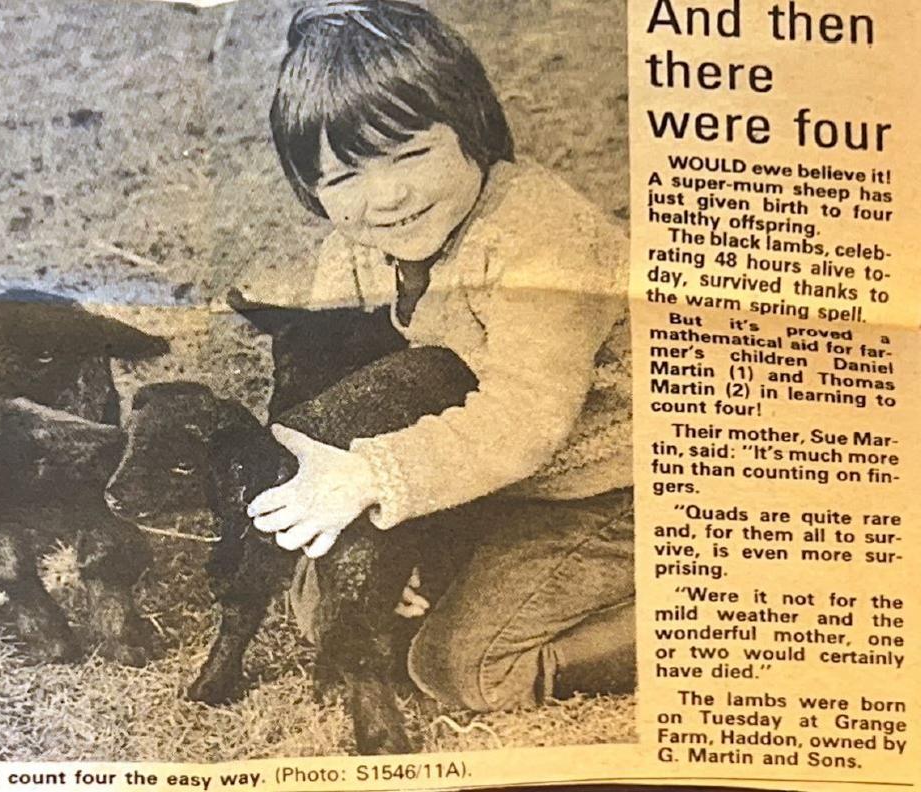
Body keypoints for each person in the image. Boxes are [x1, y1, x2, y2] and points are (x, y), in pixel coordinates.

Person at [246, 0, 636, 712]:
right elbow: (353, 386)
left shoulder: (538, 235)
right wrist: (405, 537)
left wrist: (375, 477)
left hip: (610, 489)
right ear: (312, 189)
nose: (387, 196)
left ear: (472, 132)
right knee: (323, 611)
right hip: (490, 485)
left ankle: (686, 616)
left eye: (411, 154)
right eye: (346, 177)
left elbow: (526, 417)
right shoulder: (354, 251)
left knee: (464, 667)